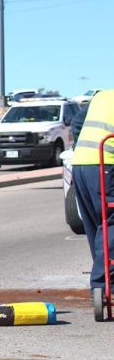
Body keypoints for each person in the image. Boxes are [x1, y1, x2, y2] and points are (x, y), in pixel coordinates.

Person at [70, 88, 114, 302]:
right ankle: (104, 284)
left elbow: (76, 123)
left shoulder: (102, 95)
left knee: (96, 224)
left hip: (82, 164)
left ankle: (101, 282)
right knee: (111, 223)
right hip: (106, 165)